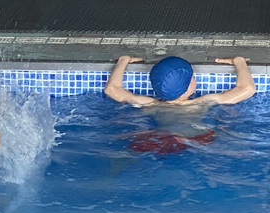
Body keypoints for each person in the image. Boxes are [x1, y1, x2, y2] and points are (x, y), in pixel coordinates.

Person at [104, 55, 258, 154]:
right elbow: (247, 89)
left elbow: (112, 89)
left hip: (160, 139)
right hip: (196, 139)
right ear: (188, 87)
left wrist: (123, 60)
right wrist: (239, 62)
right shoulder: (202, 103)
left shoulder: (150, 104)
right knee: (236, 145)